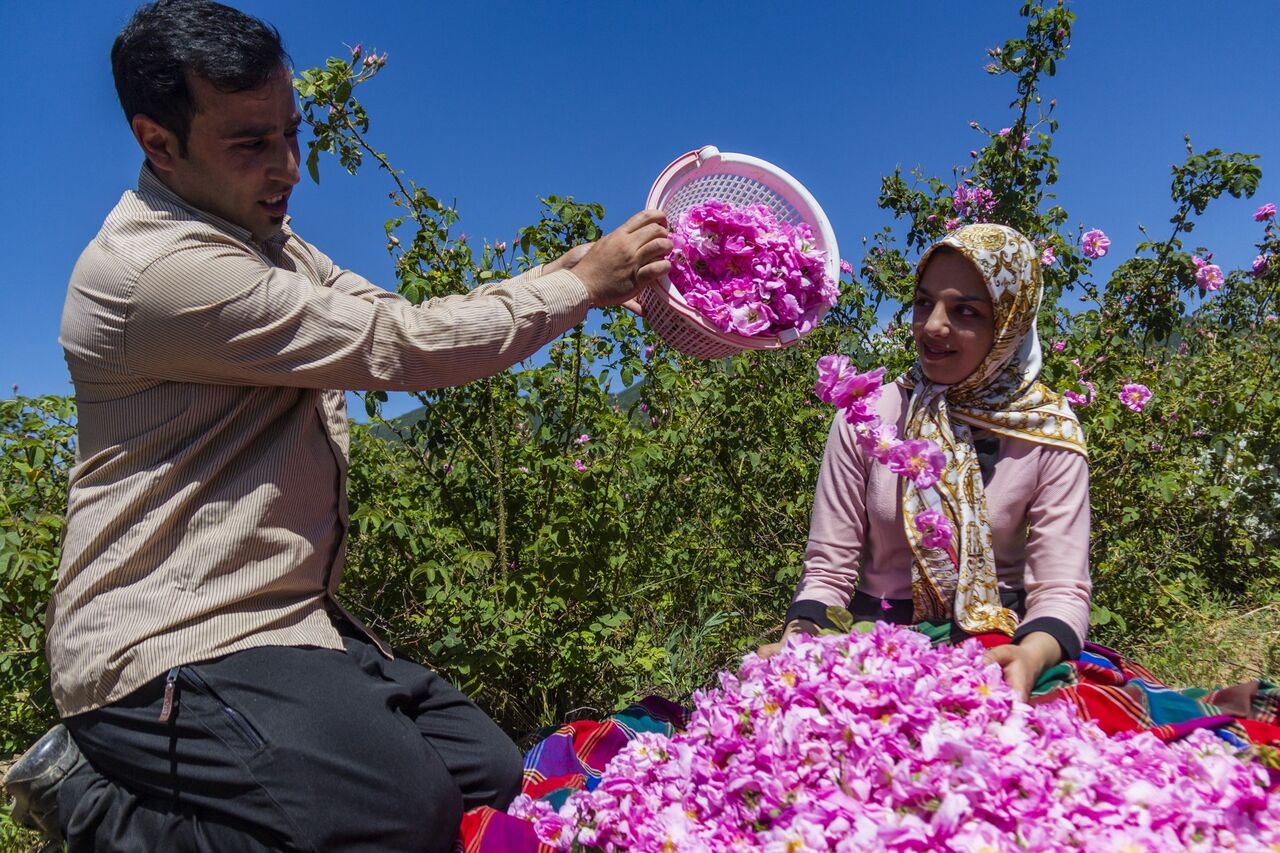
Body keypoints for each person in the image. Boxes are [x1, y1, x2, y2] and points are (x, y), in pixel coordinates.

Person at [1, 1, 671, 850]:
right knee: (398, 819)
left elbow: (398, 312)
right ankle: (90, 801)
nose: (288, 168)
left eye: (292, 132)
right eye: (252, 144)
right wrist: (583, 287)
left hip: (285, 621)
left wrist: (576, 267)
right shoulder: (160, 271)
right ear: (157, 141)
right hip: (167, 636)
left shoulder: (268, 241)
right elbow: (398, 346)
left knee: (486, 773)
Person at [759, 223, 1091, 700]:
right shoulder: (867, 415)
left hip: (1000, 642)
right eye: (923, 302)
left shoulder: (1047, 432)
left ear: (1009, 324)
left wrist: (1031, 655)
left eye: (966, 311)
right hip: (877, 641)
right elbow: (829, 569)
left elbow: (1061, 587)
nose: (933, 325)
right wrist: (803, 638)